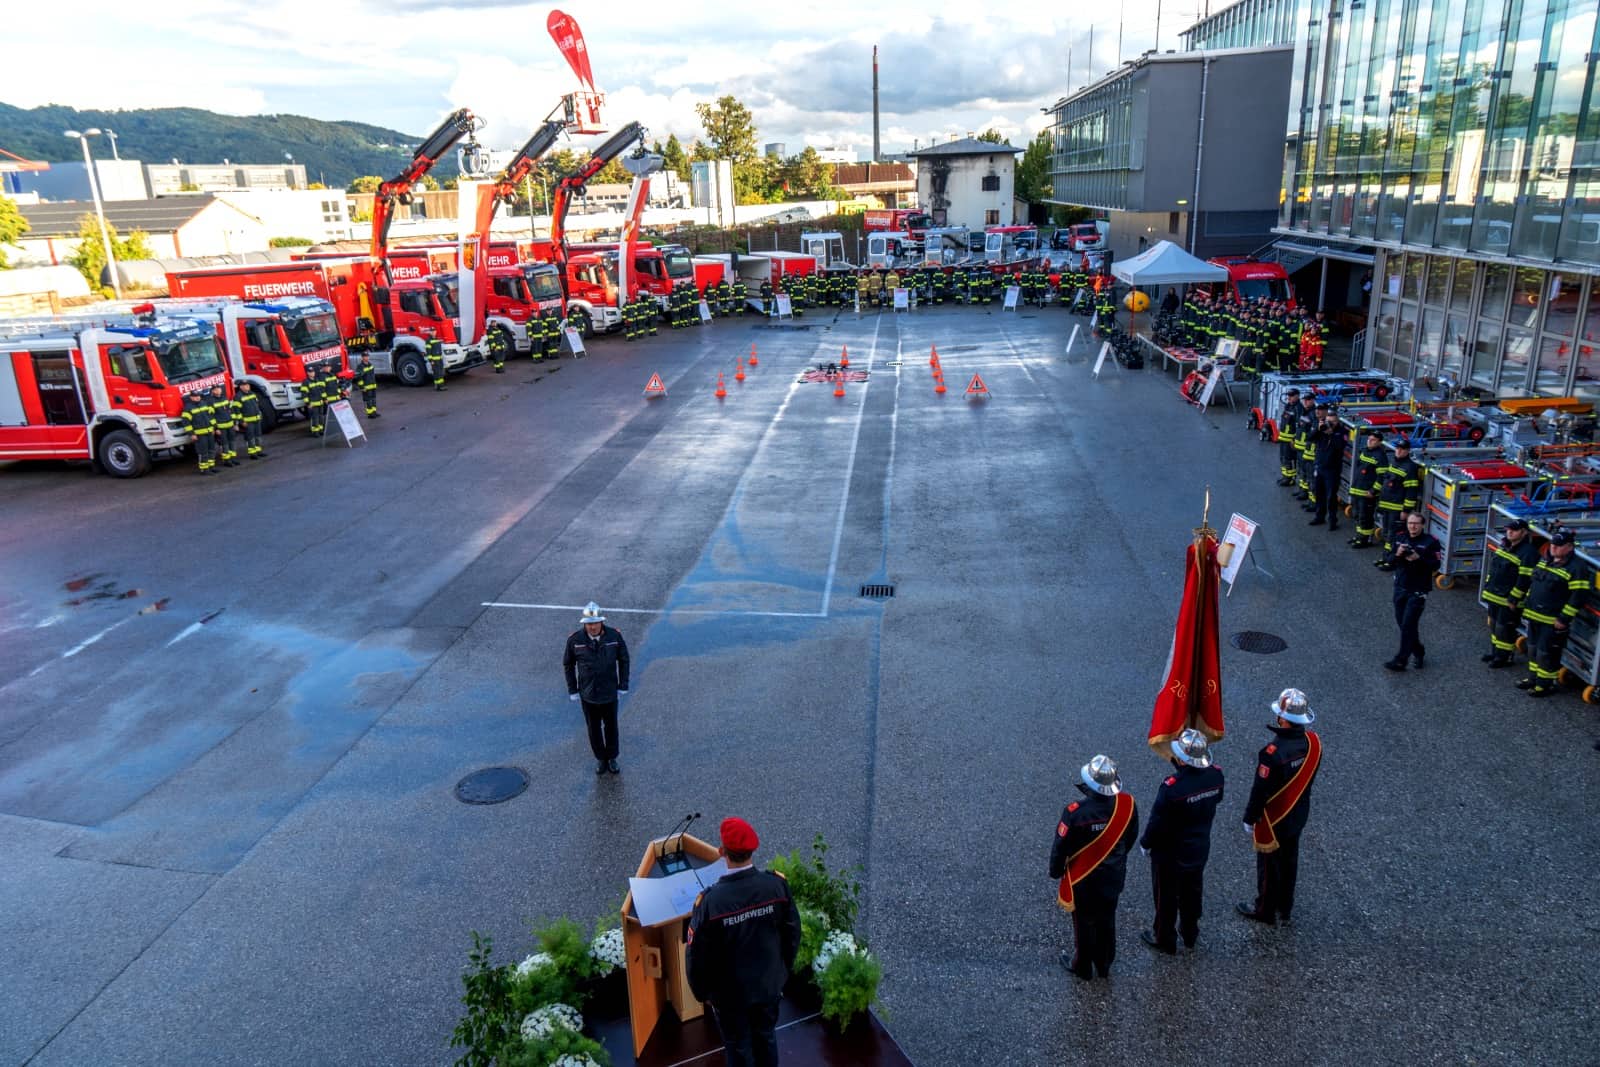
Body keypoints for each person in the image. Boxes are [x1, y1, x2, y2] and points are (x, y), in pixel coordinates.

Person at [686, 817, 801, 1067]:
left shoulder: (710, 903)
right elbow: (792, 935)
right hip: (768, 986)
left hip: (730, 997)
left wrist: (702, 993)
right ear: (753, 849)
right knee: (766, 1038)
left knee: (738, 1047)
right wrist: (781, 974)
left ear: (721, 852)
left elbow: (697, 956)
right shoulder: (776, 887)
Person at [1050, 755, 1139, 981]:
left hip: (1085, 878)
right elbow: (1130, 837)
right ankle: (1104, 962)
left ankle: (1083, 966)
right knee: (1107, 919)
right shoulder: (1127, 805)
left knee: (1084, 923)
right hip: (1113, 874)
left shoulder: (1075, 812)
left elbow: (1062, 847)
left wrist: (1056, 870)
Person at [1239, 688, 1322, 927]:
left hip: (1275, 819)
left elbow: (1260, 791)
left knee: (1268, 865)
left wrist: (1250, 817)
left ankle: (1265, 908)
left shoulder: (1272, 753)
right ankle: (1285, 905)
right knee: (1289, 860)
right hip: (1297, 813)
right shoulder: (1313, 744)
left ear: (1283, 719)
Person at [1138, 729, 1224, 955]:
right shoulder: (1216, 775)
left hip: (1170, 853)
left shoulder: (1172, 787)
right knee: (1192, 892)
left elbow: (1158, 820)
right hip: (1199, 847)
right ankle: (1190, 933)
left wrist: (1146, 843)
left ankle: (1164, 938)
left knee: (1166, 897)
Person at [1518, 527, 1587, 697]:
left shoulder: (1577, 568)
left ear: (1570, 547)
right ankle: (1533, 679)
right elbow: (1535, 584)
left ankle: (1545, 685)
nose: (1553, 548)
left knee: (1546, 653)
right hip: (1535, 615)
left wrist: (1563, 619)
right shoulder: (1546, 559)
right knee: (1533, 649)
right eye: (1553, 544)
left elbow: (1578, 597)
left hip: (1553, 620)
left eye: (1559, 545)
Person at [562, 602, 630, 774]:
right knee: (593, 729)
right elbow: (568, 664)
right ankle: (601, 758)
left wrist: (623, 685)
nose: (592, 626)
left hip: (609, 692)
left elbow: (624, 660)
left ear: (601, 622)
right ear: (584, 623)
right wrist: (573, 689)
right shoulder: (575, 640)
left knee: (611, 727)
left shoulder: (614, 636)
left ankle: (612, 757)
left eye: (595, 622)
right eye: (589, 623)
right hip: (588, 694)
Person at [1384, 511, 1442, 671]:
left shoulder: (1431, 542)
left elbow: (1436, 566)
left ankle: (1401, 660)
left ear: (1423, 525)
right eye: (1410, 523)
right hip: (1400, 588)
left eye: (1416, 523)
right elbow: (1388, 560)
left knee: (1408, 625)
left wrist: (1419, 558)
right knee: (1404, 625)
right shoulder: (1400, 538)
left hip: (1418, 590)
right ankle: (1418, 651)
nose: (1413, 526)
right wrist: (1397, 554)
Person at [1481, 518, 1538, 668]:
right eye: (1508, 529)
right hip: (1495, 595)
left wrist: (1514, 598)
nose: (1510, 532)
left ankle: (1504, 657)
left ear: (1524, 532)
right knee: (1494, 625)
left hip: (1509, 600)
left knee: (1504, 628)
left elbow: (1524, 580)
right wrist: (1488, 585)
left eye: (1514, 530)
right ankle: (1495, 652)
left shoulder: (1528, 553)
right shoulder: (1505, 546)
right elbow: (1494, 568)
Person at [1374, 437, 1421, 566]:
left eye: (1402, 449)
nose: (1399, 451)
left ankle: (1392, 561)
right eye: (1397, 448)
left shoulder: (1410, 467)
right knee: (1386, 533)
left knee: (1393, 536)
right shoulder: (1393, 462)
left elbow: (1411, 491)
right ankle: (1386, 558)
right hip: (1387, 505)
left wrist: (1406, 510)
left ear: (1407, 451)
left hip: (1397, 508)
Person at [1308, 406, 1348, 530]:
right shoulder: (1321, 428)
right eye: (1328, 421)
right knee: (1319, 493)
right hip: (1320, 466)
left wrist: (1332, 434)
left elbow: (1341, 446)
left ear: (1338, 421)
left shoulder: (1343, 431)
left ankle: (1332, 520)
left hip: (1332, 469)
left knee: (1331, 496)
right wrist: (1319, 429)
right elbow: (1310, 438)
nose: (1330, 424)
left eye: (1333, 421)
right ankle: (1319, 516)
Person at [1346, 430, 1384, 548]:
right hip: (1357, 490)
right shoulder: (1365, 451)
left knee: (1365, 516)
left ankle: (1365, 539)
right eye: (1369, 439)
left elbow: (1382, 477)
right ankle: (1359, 536)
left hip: (1367, 493)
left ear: (1379, 442)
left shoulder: (1380, 457)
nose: (1370, 441)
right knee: (1358, 515)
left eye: (1373, 440)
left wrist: (1373, 491)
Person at [181, 389, 218, 475]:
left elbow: (210, 417)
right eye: (195, 396)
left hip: (209, 431)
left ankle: (211, 467)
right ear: (191, 397)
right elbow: (186, 423)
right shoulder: (188, 408)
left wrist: (214, 428)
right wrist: (192, 434)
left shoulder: (204, 403)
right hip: (200, 434)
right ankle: (204, 469)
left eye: (198, 396)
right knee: (203, 452)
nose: (197, 398)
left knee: (211, 450)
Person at [1275, 388, 1302, 486]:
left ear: (1297, 396)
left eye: (1291, 396)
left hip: (1290, 440)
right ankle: (1285, 476)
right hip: (1283, 438)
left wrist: (1294, 439)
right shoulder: (1288, 406)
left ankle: (1290, 478)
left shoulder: (1298, 408)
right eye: (1289, 395)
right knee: (1283, 458)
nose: (1289, 397)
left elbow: (1299, 426)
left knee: (1290, 459)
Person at [210, 382, 240, 467]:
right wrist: (216, 429)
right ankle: (226, 460)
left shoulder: (225, 398)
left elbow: (231, 411)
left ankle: (233, 458)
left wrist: (235, 423)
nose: (218, 390)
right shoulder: (211, 402)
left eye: (218, 388)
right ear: (212, 391)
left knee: (232, 442)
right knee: (224, 444)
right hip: (221, 427)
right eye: (215, 389)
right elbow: (211, 417)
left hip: (230, 425)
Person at [235, 380, 267, 459]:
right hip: (248, 422)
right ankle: (252, 454)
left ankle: (259, 451)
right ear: (241, 387)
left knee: (258, 436)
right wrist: (242, 421)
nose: (247, 386)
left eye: (248, 385)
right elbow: (237, 411)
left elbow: (257, 405)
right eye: (245, 385)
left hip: (256, 419)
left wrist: (259, 415)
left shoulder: (252, 394)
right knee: (250, 437)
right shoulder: (238, 397)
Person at [355, 352, 380, 418]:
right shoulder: (360, 366)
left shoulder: (370, 365)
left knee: (373, 399)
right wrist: (362, 387)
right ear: (362, 357)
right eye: (365, 356)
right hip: (366, 387)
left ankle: (374, 412)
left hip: (372, 386)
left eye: (367, 356)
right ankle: (370, 414)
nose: (367, 358)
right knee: (368, 401)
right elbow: (358, 378)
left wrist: (375, 384)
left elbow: (372, 375)